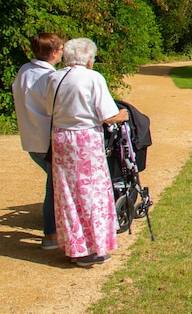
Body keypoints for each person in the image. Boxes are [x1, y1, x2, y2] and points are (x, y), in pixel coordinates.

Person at [42, 38, 128, 267]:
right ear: (88, 59)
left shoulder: (54, 77)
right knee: (92, 193)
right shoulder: (93, 78)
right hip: (85, 140)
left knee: (68, 194)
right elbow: (106, 114)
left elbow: (49, 107)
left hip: (61, 138)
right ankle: (93, 248)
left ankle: (75, 246)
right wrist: (121, 115)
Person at [11, 33, 64, 250]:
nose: (63, 52)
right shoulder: (49, 78)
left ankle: (56, 230)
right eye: (61, 49)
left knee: (55, 183)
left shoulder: (24, 71)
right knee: (54, 185)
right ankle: (51, 234)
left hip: (30, 137)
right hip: (47, 139)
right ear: (52, 53)